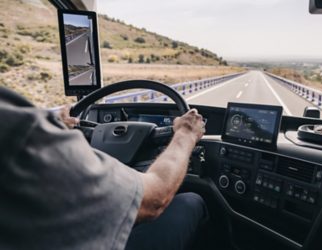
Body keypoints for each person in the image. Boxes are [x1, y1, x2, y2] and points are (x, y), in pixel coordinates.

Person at [0, 86, 208, 250]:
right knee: (191, 201)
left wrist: (56, 133)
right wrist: (186, 133)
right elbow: (155, 198)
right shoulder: (20, 133)